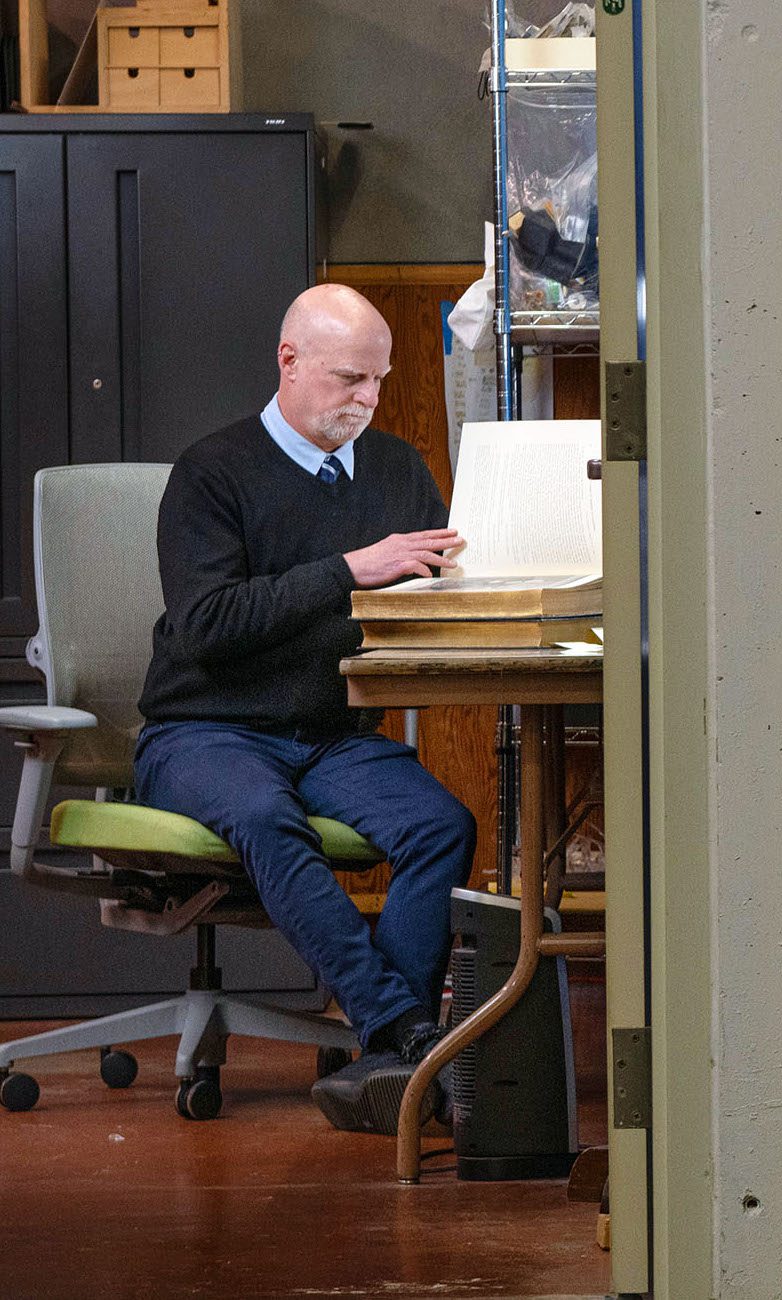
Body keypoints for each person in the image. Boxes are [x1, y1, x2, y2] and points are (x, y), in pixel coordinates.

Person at [134, 283, 476, 1134]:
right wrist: (349, 570)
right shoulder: (212, 472)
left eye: (378, 382)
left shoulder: (399, 469)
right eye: (349, 379)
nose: (367, 400)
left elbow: (427, 601)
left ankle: (385, 1059)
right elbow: (206, 626)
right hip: (204, 727)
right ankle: (403, 1030)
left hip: (331, 733)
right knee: (264, 814)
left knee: (442, 824)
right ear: (290, 363)